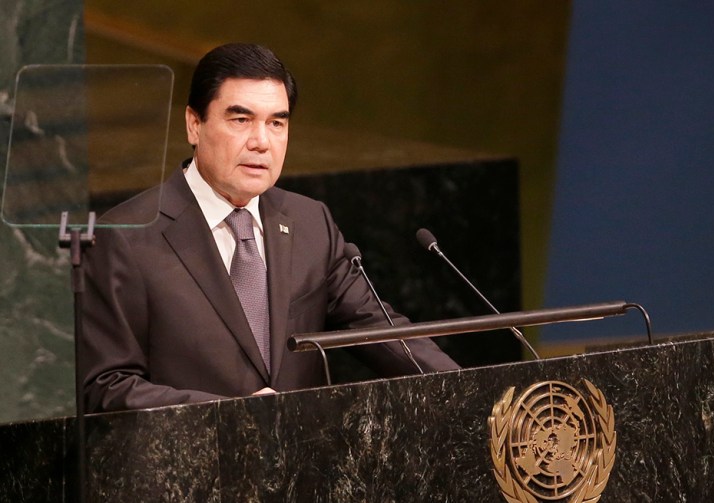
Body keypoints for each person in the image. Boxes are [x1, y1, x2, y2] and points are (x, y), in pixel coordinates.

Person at [82, 43, 459, 413]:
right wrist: (229, 413)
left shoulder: (310, 223)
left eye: (276, 123)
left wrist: (470, 390)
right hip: (189, 466)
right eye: (241, 120)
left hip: (298, 469)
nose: (261, 142)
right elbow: (108, 386)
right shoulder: (127, 236)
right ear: (194, 124)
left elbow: (379, 329)